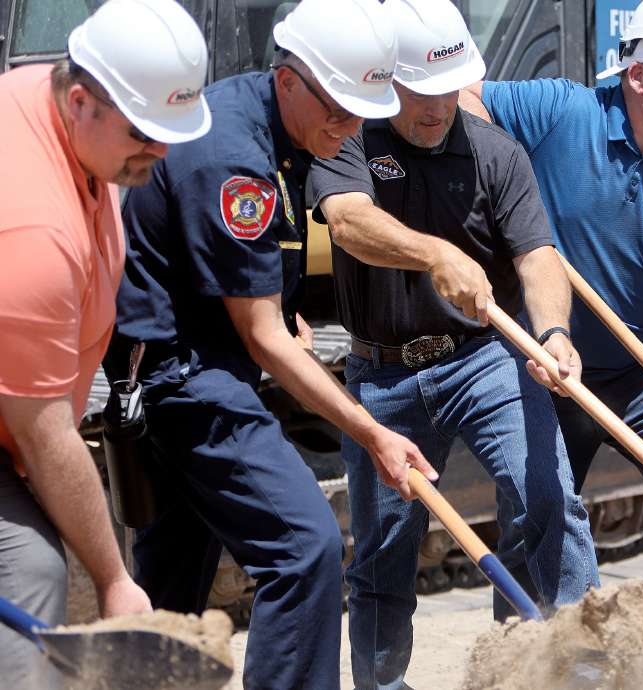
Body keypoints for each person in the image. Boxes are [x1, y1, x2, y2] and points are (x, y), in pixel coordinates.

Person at [102, 2, 437, 688]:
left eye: (358, 113)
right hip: (185, 376)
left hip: (193, 358)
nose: (348, 130)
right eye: (338, 110)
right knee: (306, 549)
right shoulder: (234, 158)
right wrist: (374, 433)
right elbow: (262, 339)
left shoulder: (276, 124)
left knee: (169, 588)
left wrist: (281, 313)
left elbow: (255, 300)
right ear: (290, 78)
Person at [309, 3, 600, 687]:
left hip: (483, 359)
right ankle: (383, 684)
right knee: (383, 553)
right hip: (380, 376)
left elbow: (537, 256)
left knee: (549, 497)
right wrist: (434, 255)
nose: (437, 105)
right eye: (419, 89)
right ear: (387, 82)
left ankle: (588, 667)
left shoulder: (495, 152)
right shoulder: (353, 136)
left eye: (449, 88)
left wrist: (553, 332)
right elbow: (348, 222)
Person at [464, 0, 643, 671]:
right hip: (545, 363)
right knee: (539, 502)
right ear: (638, 73)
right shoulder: (563, 111)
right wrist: (504, 184)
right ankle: (524, 655)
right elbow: (463, 99)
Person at [0, 1, 210, 687]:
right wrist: (117, 581)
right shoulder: (31, 228)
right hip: (22, 420)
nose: (163, 150)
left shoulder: (57, 105)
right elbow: (44, 436)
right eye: (146, 132)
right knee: (30, 567)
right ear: (82, 98)